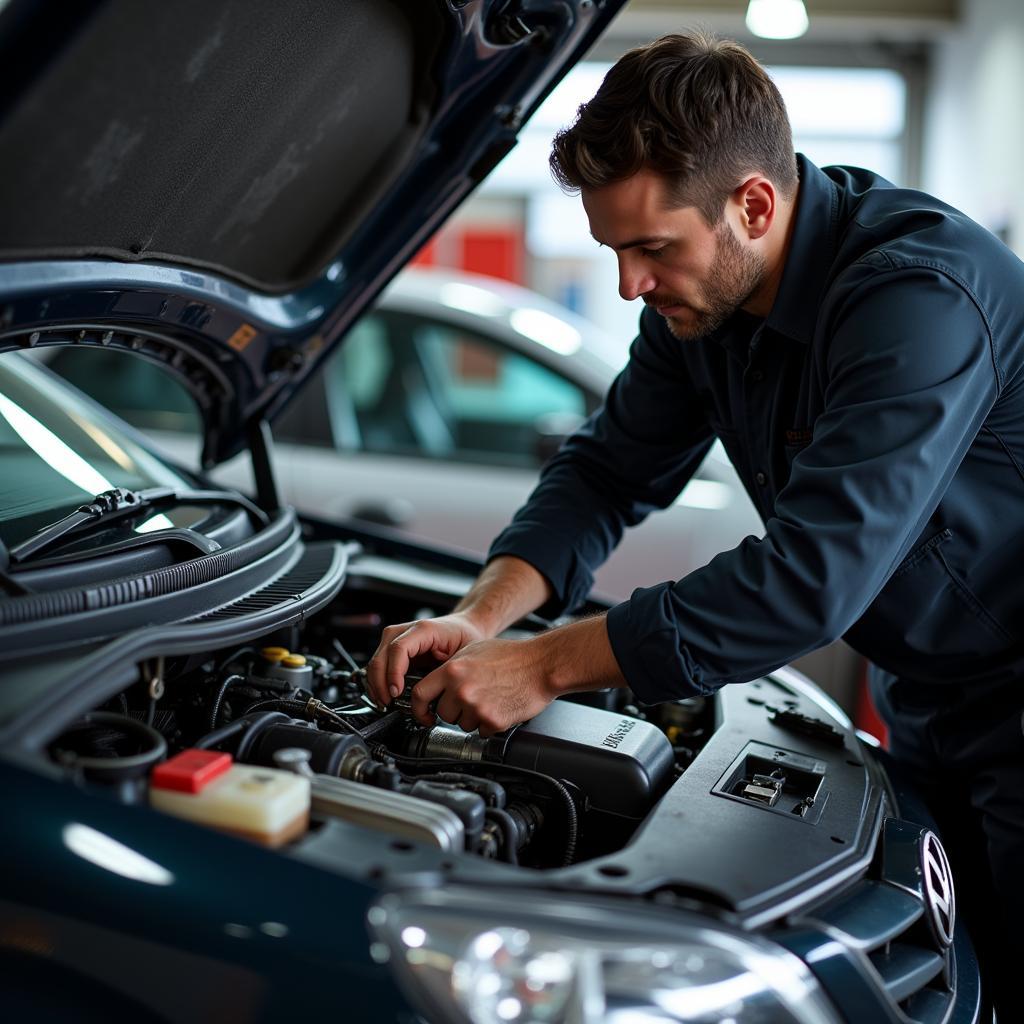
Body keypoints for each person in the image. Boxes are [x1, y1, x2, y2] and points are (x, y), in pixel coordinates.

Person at [367, 32, 1024, 1015]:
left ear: (752, 205)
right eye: (615, 251)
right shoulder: (702, 304)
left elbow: (808, 576)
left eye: (651, 248)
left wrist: (544, 666)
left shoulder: (917, 297)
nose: (630, 283)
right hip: (931, 694)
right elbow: (604, 471)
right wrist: (484, 619)